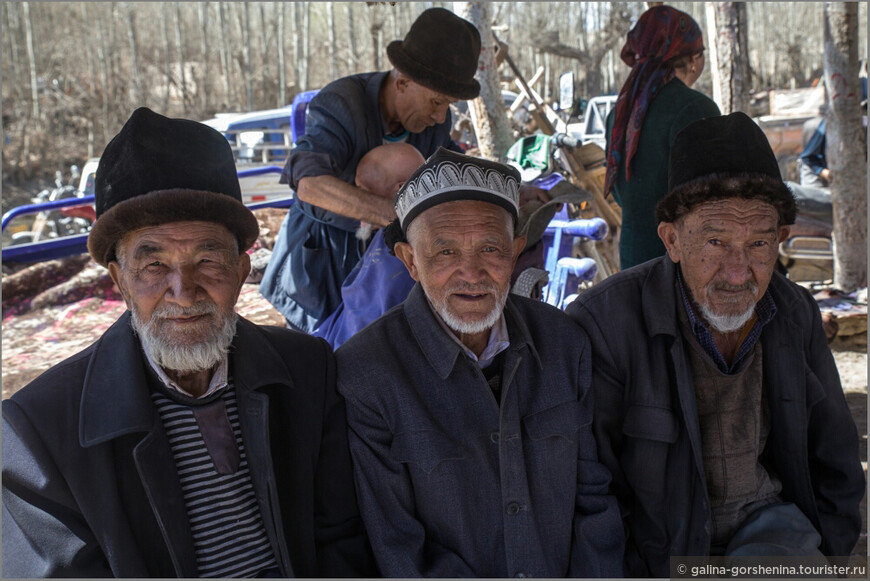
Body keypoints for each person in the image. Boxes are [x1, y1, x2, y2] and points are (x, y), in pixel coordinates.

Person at [1, 107, 375, 578]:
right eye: (153, 265)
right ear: (119, 281)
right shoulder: (37, 432)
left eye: (208, 260)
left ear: (242, 273)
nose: (183, 291)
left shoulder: (309, 371)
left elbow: (342, 540)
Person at [567, 112, 864, 577]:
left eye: (759, 244)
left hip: (774, 538)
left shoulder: (793, 313)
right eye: (715, 241)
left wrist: (828, 558)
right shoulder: (604, 324)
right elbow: (589, 491)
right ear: (672, 240)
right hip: (657, 552)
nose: (737, 271)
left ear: (781, 241)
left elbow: (837, 460)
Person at [336, 147, 625, 578]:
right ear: (410, 261)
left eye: (490, 248)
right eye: (445, 252)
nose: (471, 273)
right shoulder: (367, 374)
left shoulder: (564, 343)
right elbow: (398, 546)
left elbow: (593, 499)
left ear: (515, 251)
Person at [259, 7, 481, 333]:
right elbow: (308, 183)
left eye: (447, 105)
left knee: (376, 348)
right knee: (319, 359)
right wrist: (398, 213)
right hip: (321, 262)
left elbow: (446, 168)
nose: (439, 117)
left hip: (381, 270)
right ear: (402, 81)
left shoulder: (436, 123)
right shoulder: (342, 104)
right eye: (436, 102)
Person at [604, 4, 721, 269]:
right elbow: (713, 193)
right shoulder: (695, 108)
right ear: (693, 59)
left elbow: (621, 192)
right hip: (684, 261)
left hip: (634, 257)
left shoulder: (620, 113)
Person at [313, 143, 424, 349]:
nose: (358, 197)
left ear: (400, 189)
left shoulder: (410, 243)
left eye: (363, 190)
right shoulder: (386, 232)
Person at [799, 105, 831, 188]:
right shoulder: (826, 124)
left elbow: (803, 144)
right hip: (815, 163)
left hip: (811, 164)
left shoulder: (808, 123)